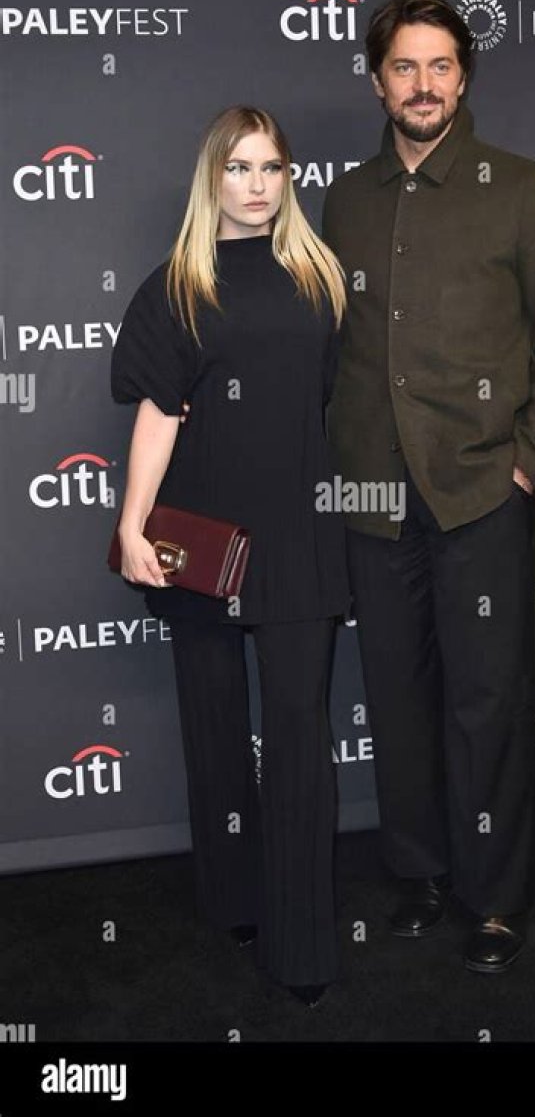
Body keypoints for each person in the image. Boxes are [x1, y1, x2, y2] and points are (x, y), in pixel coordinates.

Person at [321, 0, 535, 972]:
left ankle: (495, 896)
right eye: (405, 66)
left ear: (464, 76)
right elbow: (334, 347)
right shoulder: (345, 200)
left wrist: (532, 459)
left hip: (482, 489)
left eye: (440, 65)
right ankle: (422, 871)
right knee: (396, 696)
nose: (424, 84)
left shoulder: (522, 191)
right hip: (372, 492)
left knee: (486, 700)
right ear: (377, 80)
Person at [110, 105, 349, 1007]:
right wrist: (133, 525)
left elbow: (332, 406)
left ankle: (303, 944)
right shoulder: (177, 286)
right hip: (200, 539)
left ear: (289, 178)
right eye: (239, 167)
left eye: (271, 168)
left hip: (298, 538)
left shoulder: (320, 277)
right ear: (212, 177)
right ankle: (232, 898)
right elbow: (158, 414)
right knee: (215, 732)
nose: (256, 184)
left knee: (298, 741)